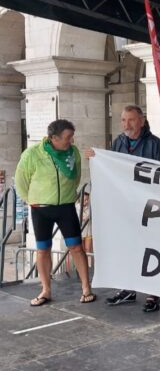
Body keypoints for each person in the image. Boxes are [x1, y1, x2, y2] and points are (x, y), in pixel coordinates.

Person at [93, 105, 160, 311]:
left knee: (151, 248)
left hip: (148, 207)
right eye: (124, 120)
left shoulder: (154, 143)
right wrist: (97, 159)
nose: (127, 124)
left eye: (131, 120)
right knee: (127, 247)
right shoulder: (118, 142)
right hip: (124, 205)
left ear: (141, 121)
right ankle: (128, 289)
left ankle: (153, 293)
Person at [15, 119, 94, 306]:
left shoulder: (72, 152)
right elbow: (21, 181)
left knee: (76, 247)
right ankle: (45, 290)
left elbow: (75, 177)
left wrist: (68, 194)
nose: (71, 141)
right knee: (43, 249)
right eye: (68, 138)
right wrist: (32, 200)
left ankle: (86, 288)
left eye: (72, 137)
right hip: (41, 209)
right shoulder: (32, 154)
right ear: (53, 138)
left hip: (66, 207)